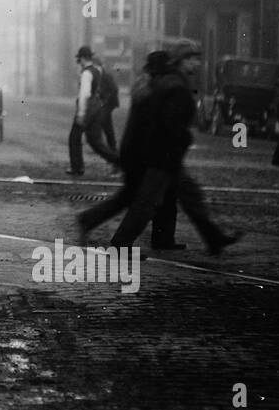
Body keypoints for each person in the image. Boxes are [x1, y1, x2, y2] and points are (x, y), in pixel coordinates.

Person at [108, 39, 240, 255]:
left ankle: (213, 238)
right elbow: (169, 123)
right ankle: (120, 243)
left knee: (189, 195)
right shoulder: (174, 83)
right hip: (164, 155)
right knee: (147, 201)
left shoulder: (174, 80)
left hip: (167, 154)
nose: (197, 64)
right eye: (193, 59)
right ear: (181, 61)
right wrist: (184, 138)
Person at [76, 50, 180, 248]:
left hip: (134, 152)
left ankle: (89, 220)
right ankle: (119, 241)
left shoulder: (144, 86)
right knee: (143, 200)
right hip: (141, 154)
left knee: (129, 197)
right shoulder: (151, 90)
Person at [67, 46, 120, 175]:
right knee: (96, 142)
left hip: (87, 110)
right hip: (96, 109)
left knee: (74, 138)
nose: (79, 62)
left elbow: (84, 94)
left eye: (79, 59)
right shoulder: (96, 70)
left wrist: (81, 113)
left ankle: (77, 167)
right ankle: (120, 162)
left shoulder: (86, 73)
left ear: (83, 58)